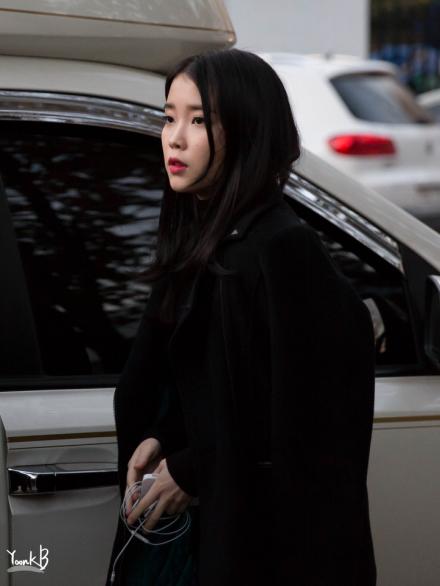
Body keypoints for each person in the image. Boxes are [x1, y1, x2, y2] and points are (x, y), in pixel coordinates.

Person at [105, 48, 377, 586]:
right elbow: (206, 379)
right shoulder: (198, 238)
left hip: (263, 552)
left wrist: (194, 467)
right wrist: (166, 436)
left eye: (199, 121)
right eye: (169, 117)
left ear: (248, 131)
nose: (174, 138)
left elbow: (302, 421)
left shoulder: (279, 247)